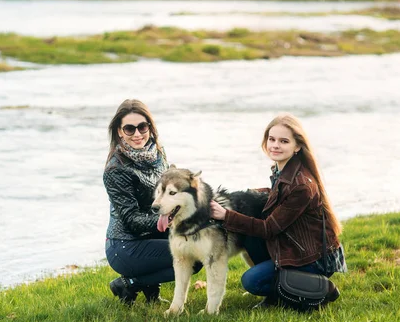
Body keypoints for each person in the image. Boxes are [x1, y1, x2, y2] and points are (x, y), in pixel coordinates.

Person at [210, 113, 347, 308]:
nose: (275, 145)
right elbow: (279, 196)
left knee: (252, 281)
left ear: (297, 146)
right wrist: (251, 194)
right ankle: (282, 288)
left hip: (311, 259)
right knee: (248, 229)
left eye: (283, 141)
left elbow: (269, 229)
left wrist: (226, 215)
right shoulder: (283, 170)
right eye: (271, 139)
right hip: (294, 248)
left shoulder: (301, 185)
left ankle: (315, 288)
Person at [103, 99, 201, 305]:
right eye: (129, 129)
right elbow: (131, 220)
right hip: (125, 245)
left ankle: (148, 286)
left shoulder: (157, 153)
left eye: (142, 127)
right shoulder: (115, 170)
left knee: (199, 247)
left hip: (154, 233)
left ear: (150, 127)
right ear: (120, 132)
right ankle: (130, 282)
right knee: (192, 256)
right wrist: (170, 221)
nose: (137, 134)